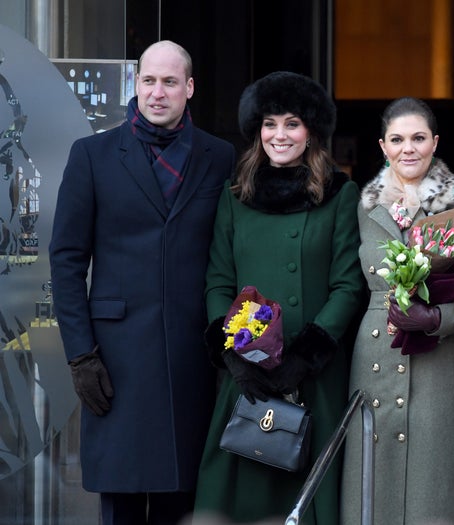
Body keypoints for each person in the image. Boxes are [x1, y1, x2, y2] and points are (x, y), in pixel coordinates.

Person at [49, 40, 235, 524]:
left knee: (184, 501)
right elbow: (67, 259)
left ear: (189, 88)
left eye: (170, 82)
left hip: (192, 359)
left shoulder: (219, 157)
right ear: (136, 84)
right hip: (115, 360)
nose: (157, 93)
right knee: (122, 502)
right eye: (149, 81)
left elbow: (234, 250)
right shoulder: (93, 154)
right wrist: (80, 354)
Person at [193, 71, 365, 524]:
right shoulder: (235, 196)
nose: (280, 135)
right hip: (245, 374)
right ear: (256, 132)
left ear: (310, 132)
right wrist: (232, 353)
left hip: (312, 374)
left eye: (292, 123)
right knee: (240, 495)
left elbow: (348, 285)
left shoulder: (339, 195)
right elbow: (218, 281)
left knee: (307, 498)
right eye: (270, 124)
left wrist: (304, 356)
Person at [341, 96, 454, 525]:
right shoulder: (363, 208)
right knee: (372, 492)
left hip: (438, 367)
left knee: (432, 497)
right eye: (398, 139)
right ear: (383, 146)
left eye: (419, 138)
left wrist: (436, 320)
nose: (409, 148)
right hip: (374, 361)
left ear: (435, 143)